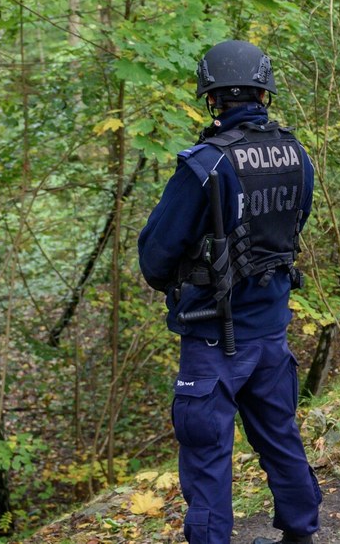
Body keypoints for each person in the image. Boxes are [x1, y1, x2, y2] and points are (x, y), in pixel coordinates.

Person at [138, 40, 321, 544]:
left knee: (207, 456)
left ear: (211, 96)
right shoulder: (296, 154)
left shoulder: (205, 164)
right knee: (280, 437)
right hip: (271, 330)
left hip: (214, 337)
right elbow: (293, 227)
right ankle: (302, 533)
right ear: (265, 92)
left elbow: (156, 256)